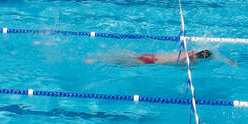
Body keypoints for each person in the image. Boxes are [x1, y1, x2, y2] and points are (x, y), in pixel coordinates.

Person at [89, 47, 234, 67]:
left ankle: (101, 56)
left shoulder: (191, 52)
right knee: (123, 63)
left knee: (127, 56)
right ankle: (97, 60)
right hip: (154, 62)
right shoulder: (191, 60)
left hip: (153, 55)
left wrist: (228, 61)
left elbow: (212, 53)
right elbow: (180, 67)